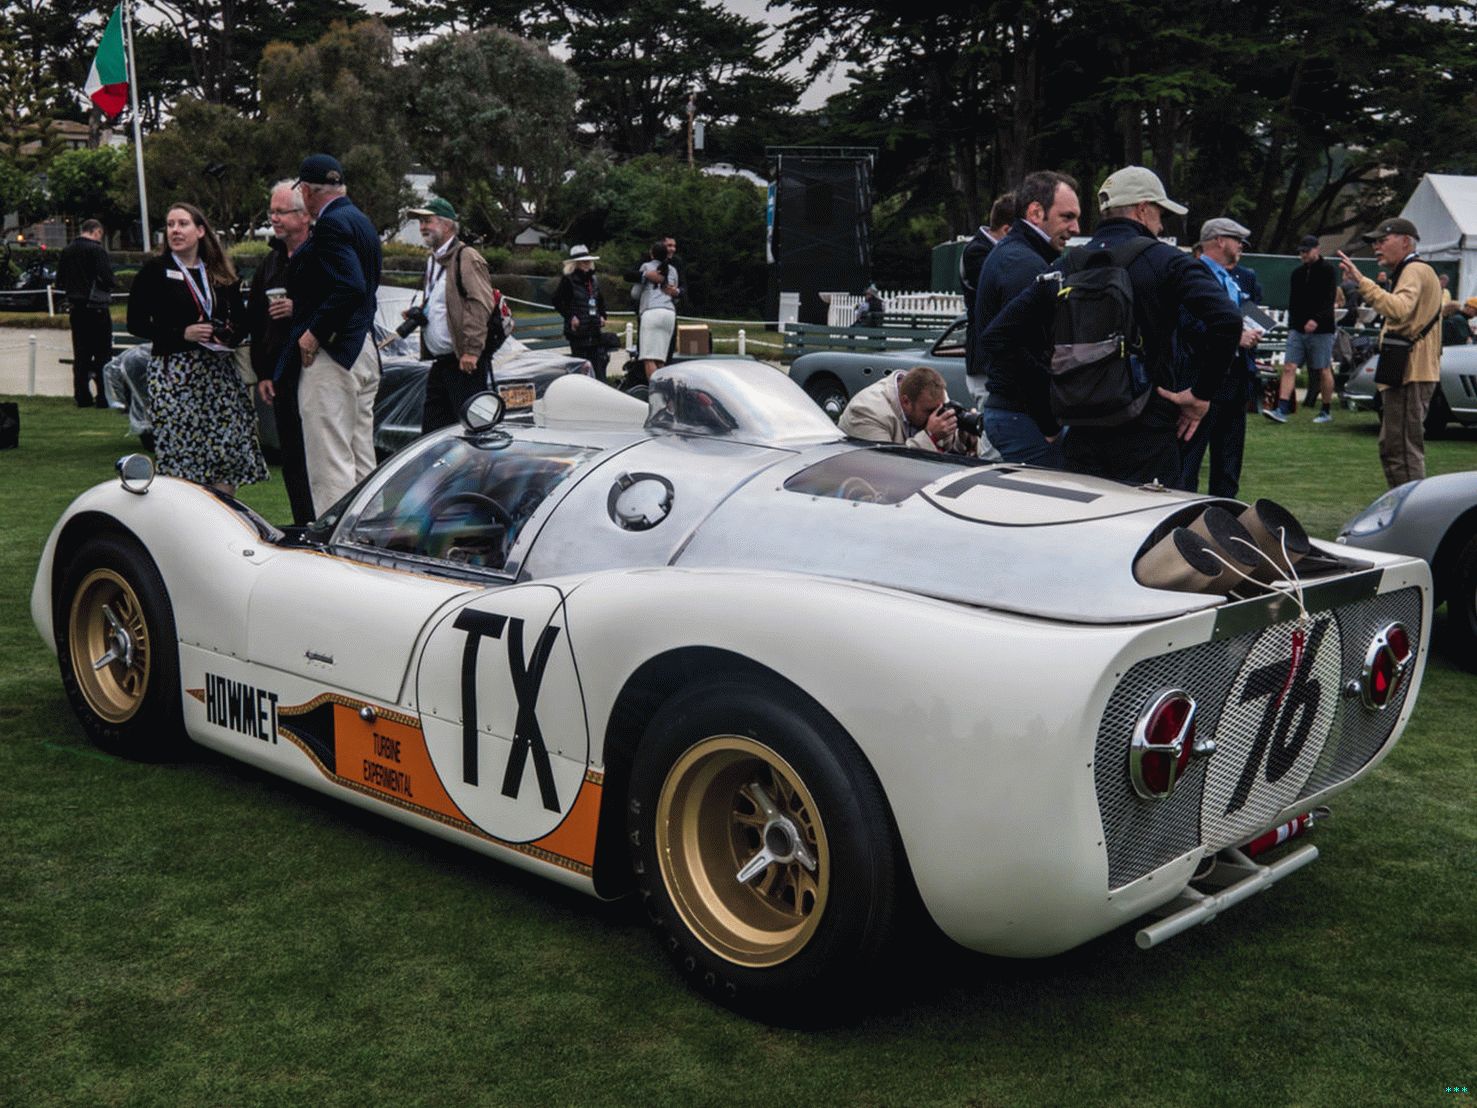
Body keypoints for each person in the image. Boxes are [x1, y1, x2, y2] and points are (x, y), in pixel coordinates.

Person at [979, 166, 1240, 486]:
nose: (1161, 224)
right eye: (1160, 214)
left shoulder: (1066, 266)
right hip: (1147, 429)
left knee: (1083, 515)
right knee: (1149, 517)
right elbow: (1227, 321)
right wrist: (1201, 394)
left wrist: (1049, 408)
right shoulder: (1167, 261)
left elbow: (998, 337)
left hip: (1082, 428)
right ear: (1143, 209)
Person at [126, 202, 266, 495]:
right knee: (183, 452)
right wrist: (182, 333)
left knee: (226, 451)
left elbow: (242, 320)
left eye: (183, 224)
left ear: (200, 231)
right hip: (175, 374)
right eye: (170, 225)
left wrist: (227, 335)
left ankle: (222, 512)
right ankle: (187, 514)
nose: (175, 231)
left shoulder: (219, 272)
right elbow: (135, 323)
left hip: (218, 373)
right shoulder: (155, 271)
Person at [280, 153, 382, 516]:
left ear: (307, 191)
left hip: (335, 353)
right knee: (360, 455)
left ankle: (336, 541)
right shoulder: (361, 221)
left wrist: (314, 332)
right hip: (363, 347)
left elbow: (351, 286)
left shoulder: (330, 224)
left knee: (330, 461)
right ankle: (370, 533)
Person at [973, 171, 1082, 461]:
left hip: (1016, 414)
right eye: (1067, 217)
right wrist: (1048, 422)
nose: (1076, 228)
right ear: (1035, 213)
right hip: (1024, 419)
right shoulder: (1024, 265)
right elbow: (1015, 349)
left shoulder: (1016, 256)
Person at [1337, 218, 1449, 487]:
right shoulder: (1414, 270)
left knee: (1402, 451)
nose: (1376, 247)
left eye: (1382, 240)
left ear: (1406, 241)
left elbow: (1398, 309)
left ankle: (1412, 508)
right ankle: (1404, 504)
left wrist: (1362, 281)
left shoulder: (1414, 269)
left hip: (1411, 371)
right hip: (1407, 368)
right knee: (1393, 448)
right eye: (1375, 242)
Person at [406, 197, 509, 433]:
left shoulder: (466, 256)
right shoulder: (434, 260)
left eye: (428, 221)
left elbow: (479, 304)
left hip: (464, 363)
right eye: (420, 222)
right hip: (442, 361)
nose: (422, 227)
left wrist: (471, 350)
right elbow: (443, 302)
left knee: (473, 431)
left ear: (447, 225)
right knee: (433, 433)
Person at [247, 181, 315, 525]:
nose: (274, 218)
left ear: (304, 216)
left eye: (281, 212)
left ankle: (327, 524)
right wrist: (263, 372)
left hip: (318, 368)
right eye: (271, 212)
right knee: (292, 456)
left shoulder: (321, 255)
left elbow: (340, 304)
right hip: (282, 374)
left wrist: (297, 307)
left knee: (322, 453)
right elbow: (256, 319)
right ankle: (302, 523)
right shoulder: (271, 262)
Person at [1178, 218, 1263, 497]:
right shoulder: (1192, 273)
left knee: (1228, 466)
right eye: (1237, 240)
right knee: (1188, 462)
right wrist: (1234, 337)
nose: (1241, 246)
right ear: (1220, 240)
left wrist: (1252, 332)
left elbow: (1249, 312)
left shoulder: (1239, 278)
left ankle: (1224, 516)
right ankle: (1182, 516)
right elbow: (1187, 325)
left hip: (1236, 380)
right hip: (1202, 381)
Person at [1267, 234, 1338, 424]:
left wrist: (1316, 319)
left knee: (1323, 369)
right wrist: (1293, 326)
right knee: (1289, 366)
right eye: (1301, 252)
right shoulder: (1297, 273)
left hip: (1322, 329)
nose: (1303, 255)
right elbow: (1294, 301)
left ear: (1317, 249)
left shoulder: (1328, 270)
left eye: (1306, 251)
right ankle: (1282, 408)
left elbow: (1329, 299)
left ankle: (1325, 409)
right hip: (1298, 328)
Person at [838, 364, 978, 454]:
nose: (935, 417)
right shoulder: (867, 411)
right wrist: (930, 436)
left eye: (939, 410)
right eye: (929, 412)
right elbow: (886, 466)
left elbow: (945, 447)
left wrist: (963, 437)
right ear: (906, 402)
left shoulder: (934, 399)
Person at [56, 219, 114, 408]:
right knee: (102, 354)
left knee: (81, 353)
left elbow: (60, 280)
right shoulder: (97, 250)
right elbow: (107, 278)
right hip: (96, 307)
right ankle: (103, 396)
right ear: (97, 232)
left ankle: (82, 395)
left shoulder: (67, 250)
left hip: (76, 308)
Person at [960, 193, 1015, 376]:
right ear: (1006, 230)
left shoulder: (987, 249)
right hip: (985, 359)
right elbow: (1002, 291)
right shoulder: (977, 252)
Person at [551, 244, 609, 380]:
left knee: (598, 365)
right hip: (577, 331)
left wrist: (602, 315)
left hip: (594, 329)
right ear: (576, 264)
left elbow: (600, 300)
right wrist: (571, 317)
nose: (587, 264)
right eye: (583, 261)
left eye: (588, 261)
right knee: (581, 365)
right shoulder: (568, 280)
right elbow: (557, 301)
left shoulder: (593, 280)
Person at [634, 240, 679, 385]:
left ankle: (655, 391)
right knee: (660, 358)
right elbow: (674, 291)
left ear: (651, 254)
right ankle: (664, 390)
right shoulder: (672, 270)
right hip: (669, 313)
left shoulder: (646, 267)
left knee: (648, 358)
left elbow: (635, 293)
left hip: (651, 311)